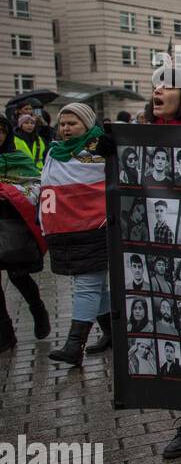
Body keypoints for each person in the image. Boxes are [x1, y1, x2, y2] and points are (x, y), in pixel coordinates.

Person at [40, 104, 110, 369]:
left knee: (87, 285)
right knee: (97, 286)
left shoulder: (101, 151)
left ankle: (74, 345)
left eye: (73, 123)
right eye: (63, 124)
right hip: (68, 230)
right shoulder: (55, 152)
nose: (66, 129)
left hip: (95, 228)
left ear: (88, 124)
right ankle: (113, 333)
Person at [0, 116, 50, 352]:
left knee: (18, 275)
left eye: (1, 131)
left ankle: (37, 308)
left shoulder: (17, 157)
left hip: (13, 223)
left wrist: (10, 193)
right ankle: (6, 334)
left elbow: (35, 186)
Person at [8, 96, 51, 172]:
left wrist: (43, 123)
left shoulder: (39, 138)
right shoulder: (14, 136)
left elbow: (46, 152)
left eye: (32, 123)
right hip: (22, 174)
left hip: (39, 173)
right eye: (26, 123)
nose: (29, 125)